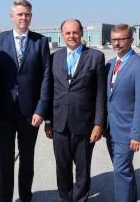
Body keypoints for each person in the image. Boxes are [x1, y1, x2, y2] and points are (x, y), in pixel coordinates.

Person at [0, 0, 52, 202]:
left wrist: (41, 109)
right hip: (4, 113)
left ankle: (26, 196)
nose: (23, 17)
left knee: (27, 158)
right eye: (20, 14)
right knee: (5, 160)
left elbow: (46, 77)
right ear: (12, 16)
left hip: (30, 113)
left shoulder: (40, 42)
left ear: (31, 16)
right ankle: (5, 198)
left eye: (27, 14)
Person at [45, 19, 106, 202]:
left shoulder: (95, 57)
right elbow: (49, 91)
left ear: (81, 33)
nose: (71, 36)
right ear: (62, 35)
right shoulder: (54, 57)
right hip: (59, 124)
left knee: (82, 168)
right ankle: (65, 198)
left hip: (85, 125)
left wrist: (98, 124)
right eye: (67, 33)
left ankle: (80, 199)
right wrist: (48, 121)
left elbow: (100, 94)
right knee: (62, 167)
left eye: (75, 32)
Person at [105, 24, 140, 202]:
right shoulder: (110, 64)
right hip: (111, 129)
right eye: (114, 39)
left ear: (131, 40)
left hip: (127, 130)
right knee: (123, 170)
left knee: (121, 171)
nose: (117, 43)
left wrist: (137, 134)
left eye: (121, 39)